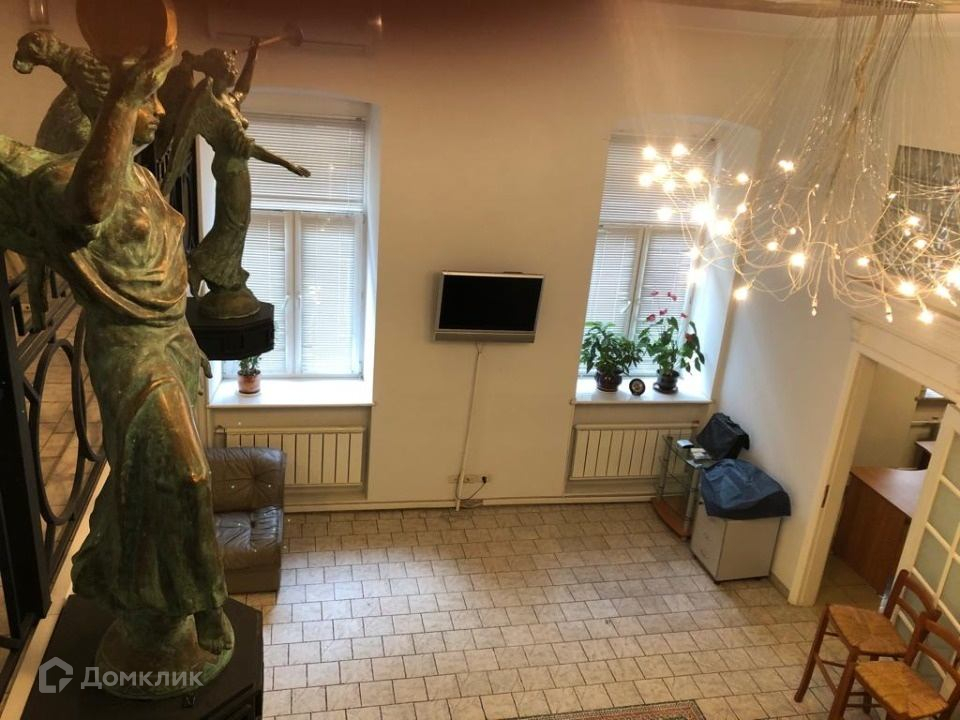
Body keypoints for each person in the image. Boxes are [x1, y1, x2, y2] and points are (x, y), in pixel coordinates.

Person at [0, 46, 233, 692]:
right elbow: (84, 211)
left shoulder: (145, 179)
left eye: (152, 97)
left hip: (172, 341)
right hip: (130, 351)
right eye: (143, 100)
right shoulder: (64, 182)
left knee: (156, 484)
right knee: (185, 477)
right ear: (101, 109)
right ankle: (204, 601)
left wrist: (188, 334)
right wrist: (121, 98)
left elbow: (164, 260)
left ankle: (153, 605)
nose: (157, 111)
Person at [164, 40, 310, 319]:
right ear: (217, 72)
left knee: (237, 224)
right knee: (233, 224)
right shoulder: (213, 107)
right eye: (229, 67)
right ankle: (200, 265)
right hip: (232, 170)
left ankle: (225, 274)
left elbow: (244, 88)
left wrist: (253, 56)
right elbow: (250, 149)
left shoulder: (229, 101)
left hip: (236, 169)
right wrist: (287, 164)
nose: (234, 72)